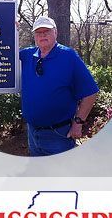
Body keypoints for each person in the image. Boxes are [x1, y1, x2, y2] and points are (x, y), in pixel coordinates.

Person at [19, 16, 99, 156]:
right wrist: (9, 29)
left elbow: (90, 93)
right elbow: (3, 54)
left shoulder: (68, 57)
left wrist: (78, 122)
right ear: (34, 36)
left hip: (59, 135)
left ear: (55, 33)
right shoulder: (26, 55)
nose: (42, 34)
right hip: (32, 133)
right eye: (39, 32)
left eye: (47, 31)